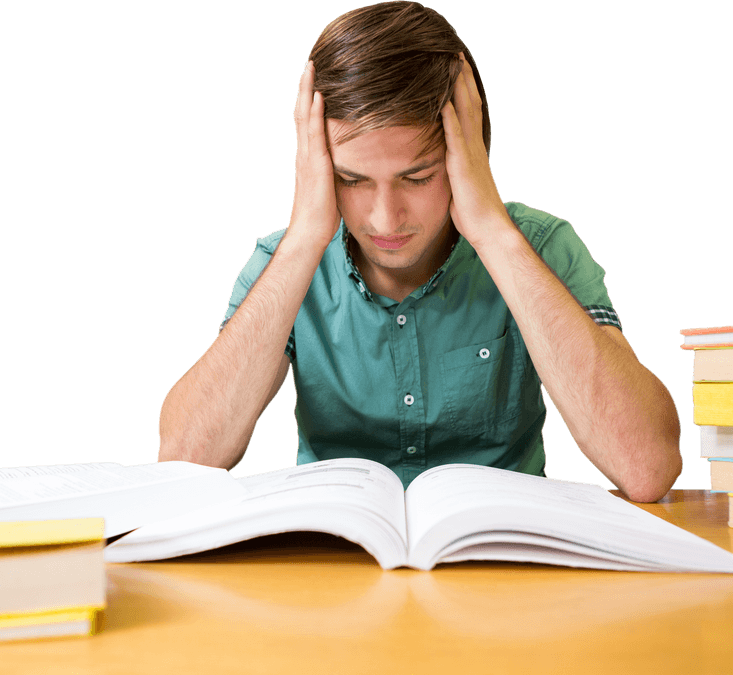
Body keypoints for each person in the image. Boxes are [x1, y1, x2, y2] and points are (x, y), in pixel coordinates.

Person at [158, 1, 682, 502]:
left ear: (469, 155)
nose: (385, 219)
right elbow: (184, 459)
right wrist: (301, 243)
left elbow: (646, 467)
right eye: (352, 179)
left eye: (417, 176)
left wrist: (494, 234)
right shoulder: (283, 260)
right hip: (333, 570)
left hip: (508, 571)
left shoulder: (540, 246)